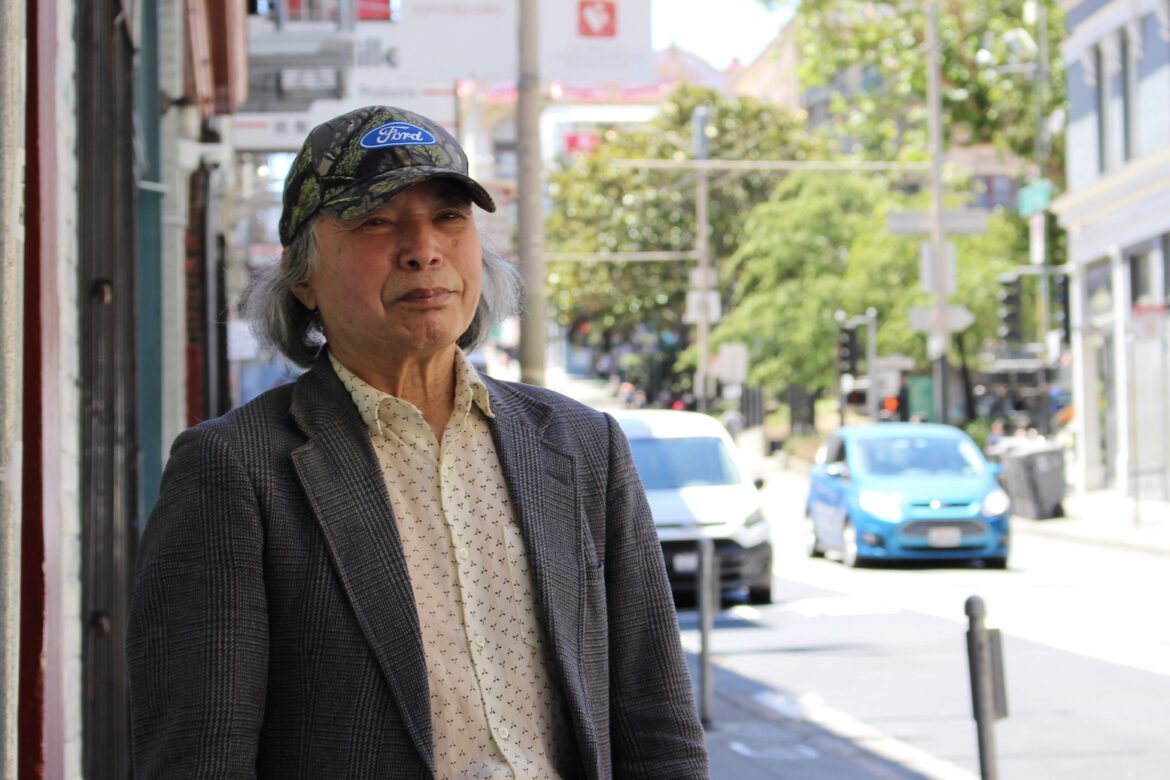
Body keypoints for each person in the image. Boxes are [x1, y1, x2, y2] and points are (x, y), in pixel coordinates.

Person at [126, 105, 707, 778]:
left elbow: (656, 721)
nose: (422, 248)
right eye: (376, 220)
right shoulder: (235, 470)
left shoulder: (582, 445)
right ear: (303, 275)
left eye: (448, 218)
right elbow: (198, 760)